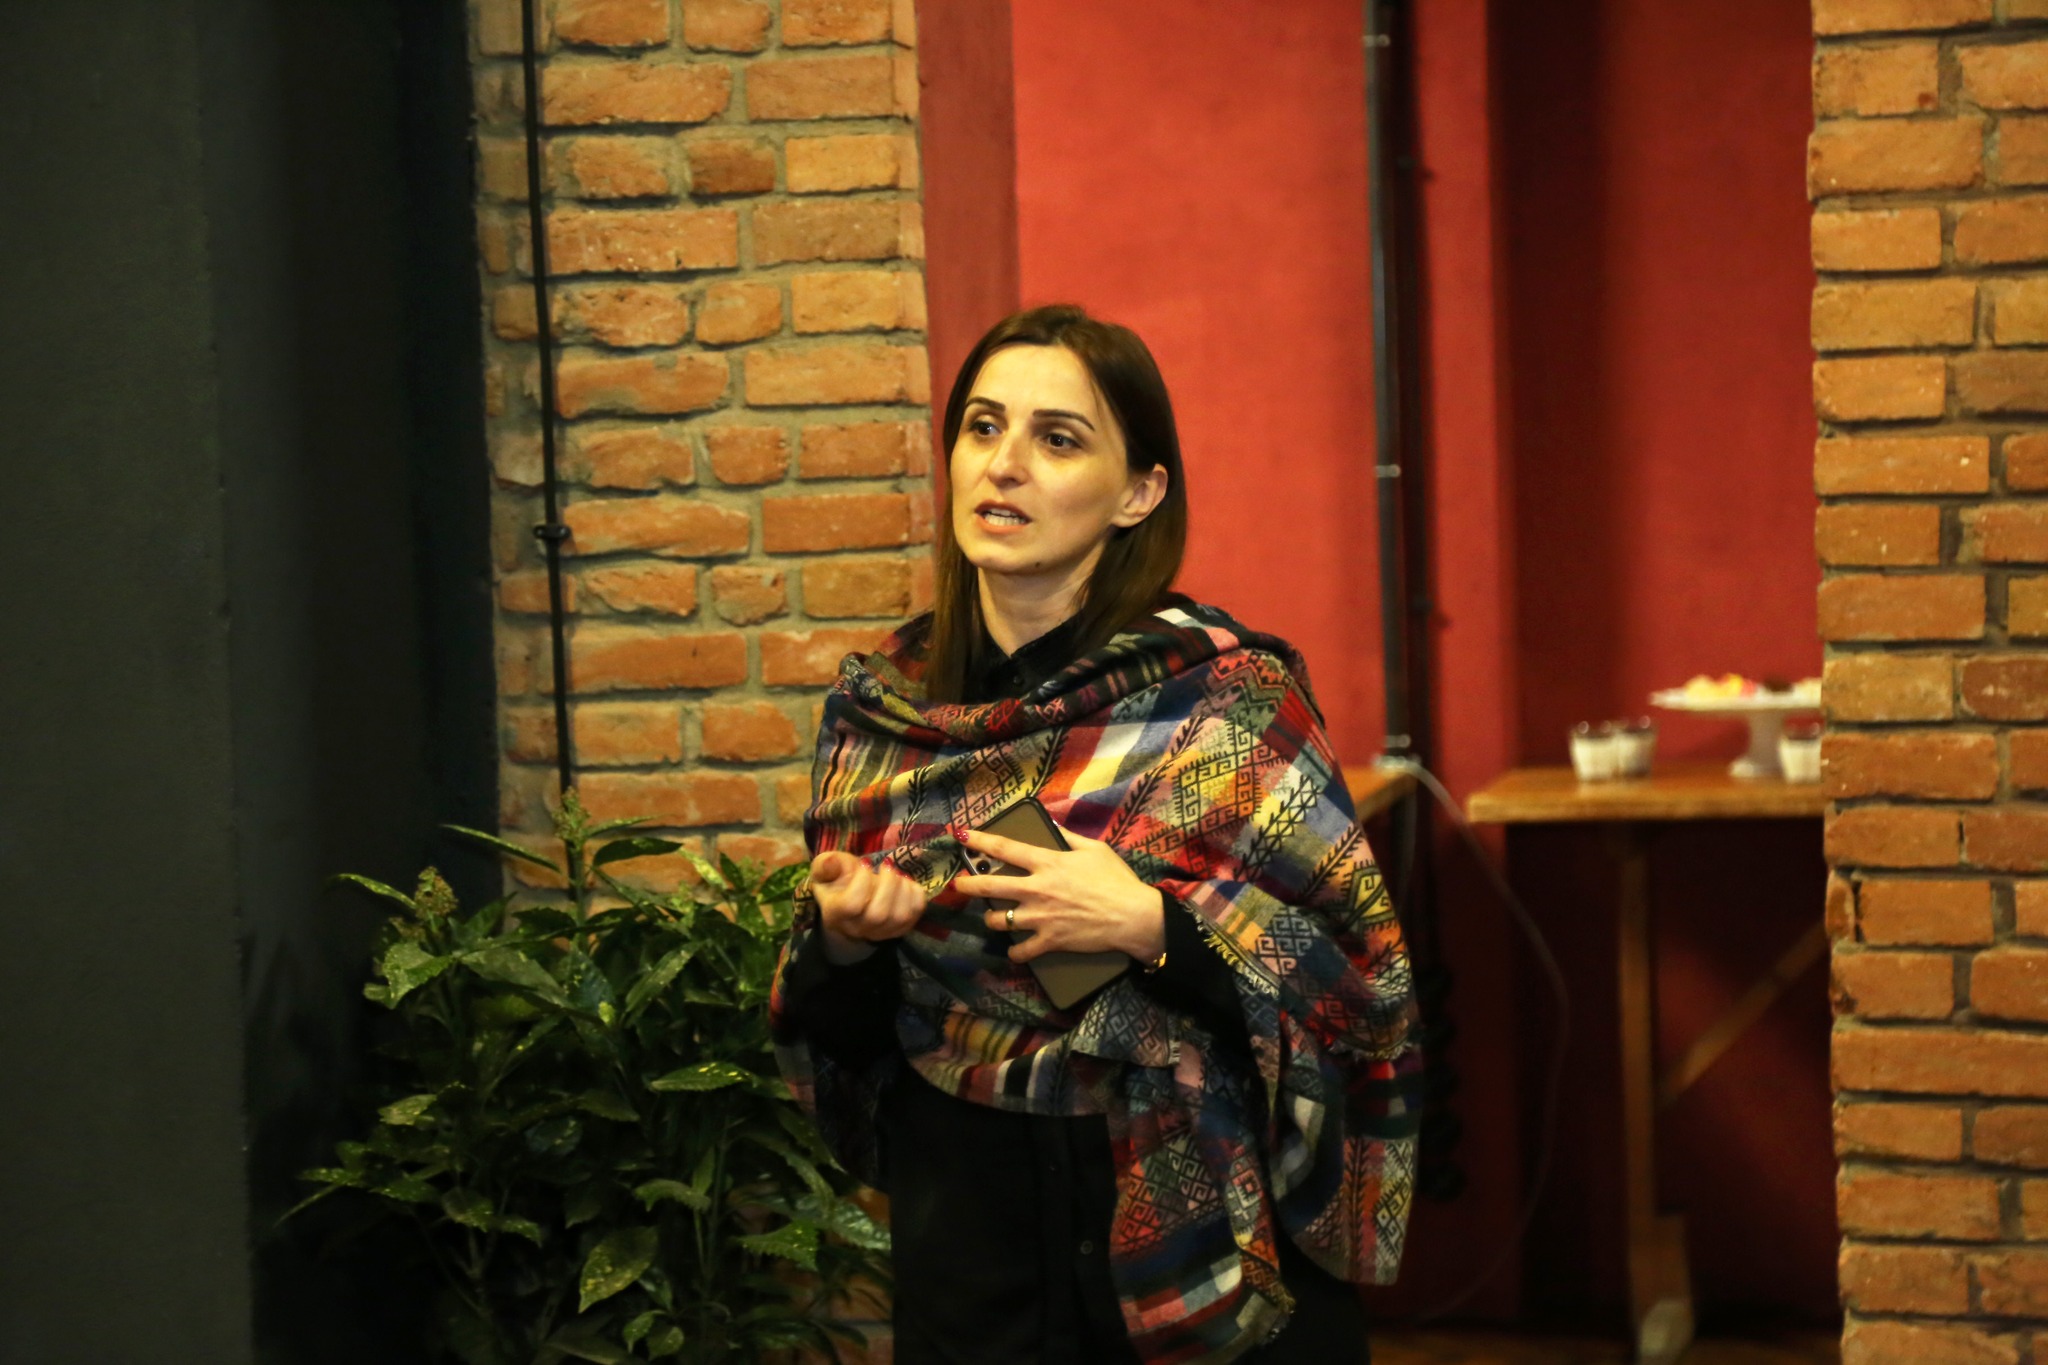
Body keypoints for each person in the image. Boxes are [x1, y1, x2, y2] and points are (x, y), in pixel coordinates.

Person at [769, 304, 1422, 1364]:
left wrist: (1153, 928)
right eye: (983, 428)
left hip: (1207, 1251)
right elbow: (844, 1043)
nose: (1005, 465)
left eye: (1057, 439)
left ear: (1139, 492)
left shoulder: (1228, 704)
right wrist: (846, 941)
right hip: (974, 1267)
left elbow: (1359, 992)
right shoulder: (883, 719)